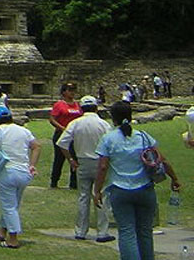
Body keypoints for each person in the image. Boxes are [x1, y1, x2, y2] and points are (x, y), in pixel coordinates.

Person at [94, 100, 182, 260]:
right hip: (145, 189)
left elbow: (102, 167)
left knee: (127, 231)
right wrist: (174, 178)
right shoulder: (142, 137)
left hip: (120, 190)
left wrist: (97, 190)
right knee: (145, 231)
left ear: (113, 118)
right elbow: (162, 159)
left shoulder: (108, 139)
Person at [0, 105, 41, 249]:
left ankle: (13, 239)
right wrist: (32, 165)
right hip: (23, 172)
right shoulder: (24, 131)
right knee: (13, 203)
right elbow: (36, 146)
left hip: (6, 172)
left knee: (9, 206)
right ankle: (2, 231)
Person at [56, 95, 114, 242]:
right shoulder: (104, 124)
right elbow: (111, 144)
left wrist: (70, 159)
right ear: (96, 108)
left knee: (83, 196)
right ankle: (102, 232)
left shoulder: (76, 123)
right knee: (100, 195)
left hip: (82, 161)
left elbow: (62, 143)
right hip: (100, 161)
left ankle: (81, 230)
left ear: (81, 108)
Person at [49, 82, 82, 189]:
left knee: (74, 157)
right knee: (59, 158)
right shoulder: (59, 104)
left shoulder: (77, 105)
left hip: (74, 135)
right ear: (64, 92)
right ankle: (54, 181)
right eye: (70, 90)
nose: (72, 92)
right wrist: (63, 128)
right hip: (61, 133)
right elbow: (52, 119)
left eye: (74, 90)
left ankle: (73, 182)